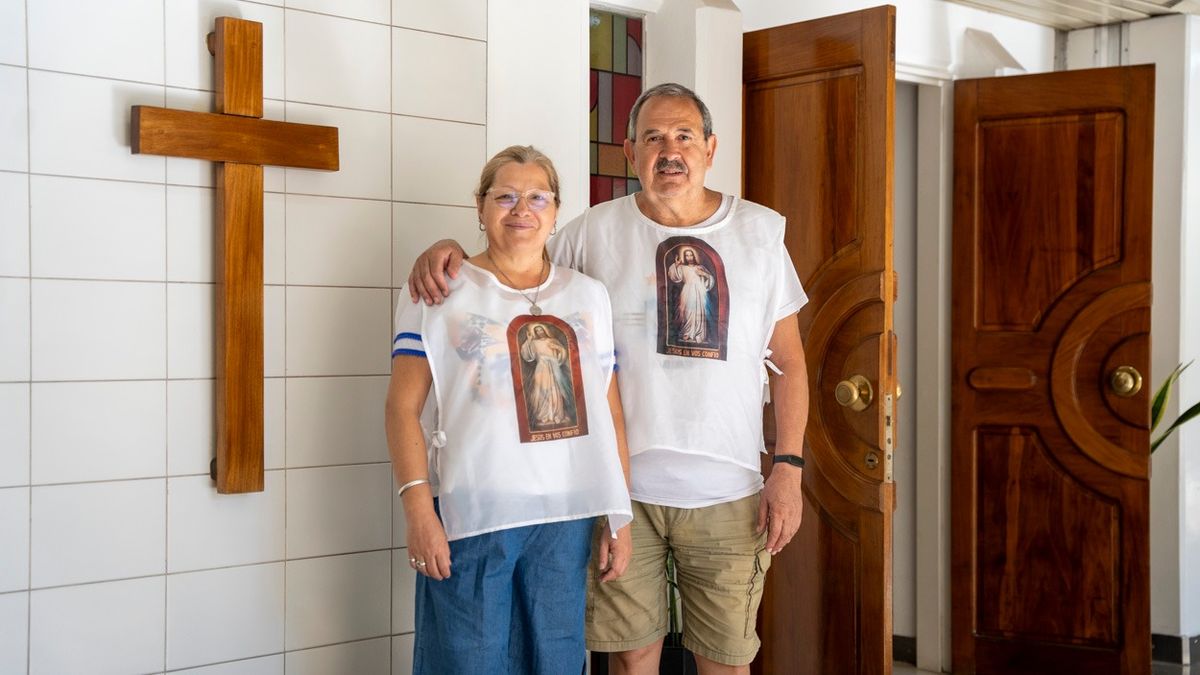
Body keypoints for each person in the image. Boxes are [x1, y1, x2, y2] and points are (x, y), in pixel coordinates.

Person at [407, 84, 810, 675]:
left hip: (730, 489)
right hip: (625, 494)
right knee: (627, 656)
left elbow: (792, 363)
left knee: (725, 659)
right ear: (628, 151)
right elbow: (518, 268)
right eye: (652, 138)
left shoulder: (760, 234)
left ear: (711, 148)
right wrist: (447, 255)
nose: (668, 151)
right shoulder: (588, 235)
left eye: (683, 136)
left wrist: (790, 467)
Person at [385, 145, 633, 674]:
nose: (522, 209)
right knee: (468, 659)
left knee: (557, 659)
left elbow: (609, 413)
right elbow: (402, 409)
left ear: (556, 209)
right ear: (480, 207)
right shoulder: (438, 291)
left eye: (537, 196)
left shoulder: (588, 296)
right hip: (476, 512)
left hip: (565, 516)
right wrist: (418, 513)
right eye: (506, 196)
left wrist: (619, 514)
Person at [666, 246, 715, 343]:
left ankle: (699, 333)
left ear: (694, 256)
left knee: (699, 313)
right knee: (687, 312)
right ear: (685, 257)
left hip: (700, 292)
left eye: (691, 255)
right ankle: (687, 332)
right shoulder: (682, 267)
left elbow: (710, 279)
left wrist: (704, 274)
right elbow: (674, 276)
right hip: (687, 291)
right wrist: (675, 265)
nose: (689, 257)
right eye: (687, 255)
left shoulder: (700, 267)